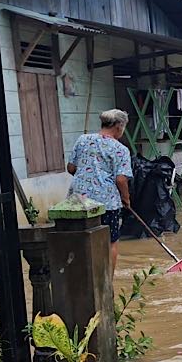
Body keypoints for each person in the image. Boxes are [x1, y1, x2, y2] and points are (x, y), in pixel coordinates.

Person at [67, 109, 133, 272]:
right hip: (106, 204)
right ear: (119, 126)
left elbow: (71, 168)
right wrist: (126, 199)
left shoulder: (82, 140)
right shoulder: (121, 149)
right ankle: (107, 281)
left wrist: (86, 177)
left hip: (78, 202)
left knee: (80, 241)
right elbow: (121, 179)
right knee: (110, 242)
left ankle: (82, 278)